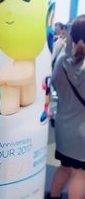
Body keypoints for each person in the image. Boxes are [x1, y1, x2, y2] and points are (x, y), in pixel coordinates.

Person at [47, 15, 85, 199]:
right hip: (82, 131)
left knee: (65, 167)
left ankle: (53, 196)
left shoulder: (62, 59)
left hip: (63, 127)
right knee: (80, 173)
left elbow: (53, 82)